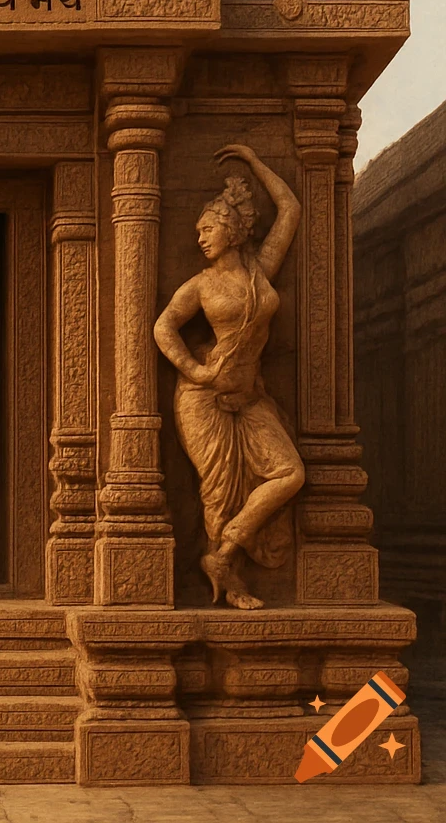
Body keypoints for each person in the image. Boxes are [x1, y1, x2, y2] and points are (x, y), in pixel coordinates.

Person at [153, 143, 305, 609]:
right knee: (217, 490)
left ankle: (225, 553)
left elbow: (291, 208)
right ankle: (229, 579)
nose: (201, 237)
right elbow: (164, 326)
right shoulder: (201, 284)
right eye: (199, 230)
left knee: (290, 473)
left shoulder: (262, 271)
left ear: (235, 232)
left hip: (249, 394)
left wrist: (256, 163)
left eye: (209, 228)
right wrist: (194, 369)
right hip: (203, 398)